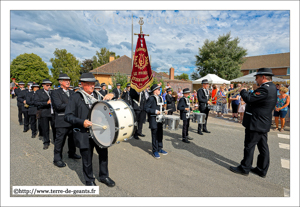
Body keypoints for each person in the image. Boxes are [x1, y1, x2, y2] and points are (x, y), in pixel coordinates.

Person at [64, 73, 115, 186]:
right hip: (84, 132)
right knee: (87, 158)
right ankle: (89, 180)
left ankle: (104, 176)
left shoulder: (98, 95)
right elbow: (67, 116)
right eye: (90, 84)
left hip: (100, 132)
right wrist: (81, 122)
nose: (93, 86)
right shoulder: (76, 97)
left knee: (103, 155)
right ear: (82, 84)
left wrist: (112, 94)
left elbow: (113, 104)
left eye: (93, 83)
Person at [229, 68, 277, 178]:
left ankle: (244, 168)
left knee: (249, 146)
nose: (256, 79)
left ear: (263, 77)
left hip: (256, 123)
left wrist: (243, 91)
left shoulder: (265, 89)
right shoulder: (272, 87)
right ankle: (261, 169)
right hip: (262, 122)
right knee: (263, 147)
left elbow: (249, 99)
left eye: (257, 77)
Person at [51, 73, 81, 168]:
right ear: (60, 82)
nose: (68, 82)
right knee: (60, 140)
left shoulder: (73, 92)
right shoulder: (55, 93)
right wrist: (72, 106)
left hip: (72, 121)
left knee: (72, 139)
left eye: (69, 80)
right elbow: (58, 106)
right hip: (62, 120)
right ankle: (57, 159)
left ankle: (71, 153)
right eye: (65, 80)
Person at [144, 84, 168, 159]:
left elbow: (159, 107)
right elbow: (146, 108)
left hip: (160, 119)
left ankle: (160, 148)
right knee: (154, 135)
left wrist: (164, 110)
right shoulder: (151, 98)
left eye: (160, 89)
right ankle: (155, 151)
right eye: (158, 89)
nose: (159, 90)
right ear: (154, 90)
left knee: (160, 134)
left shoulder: (160, 98)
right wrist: (155, 111)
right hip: (153, 119)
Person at [34, 79, 56, 150]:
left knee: (55, 128)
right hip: (44, 112)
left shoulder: (53, 92)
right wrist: (46, 103)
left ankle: (56, 141)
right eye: (47, 85)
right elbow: (36, 102)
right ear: (43, 85)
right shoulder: (39, 92)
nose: (49, 86)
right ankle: (46, 142)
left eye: (50, 85)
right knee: (45, 128)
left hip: (53, 113)